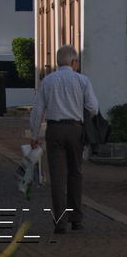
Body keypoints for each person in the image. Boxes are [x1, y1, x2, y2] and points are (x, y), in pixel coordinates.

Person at [29, 45, 99, 233]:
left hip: (54, 130)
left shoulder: (48, 81)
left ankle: (60, 222)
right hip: (75, 129)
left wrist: (34, 135)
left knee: (57, 177)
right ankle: (76, 219)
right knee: (75, 173)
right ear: (74, 62)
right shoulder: (82, 80)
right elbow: (93, 107)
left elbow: (37, 111)